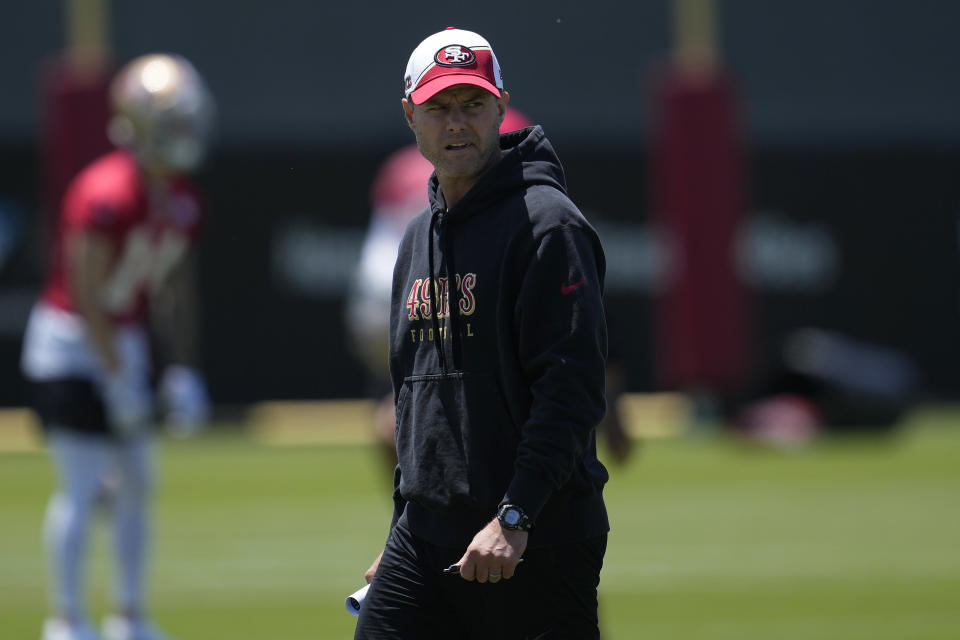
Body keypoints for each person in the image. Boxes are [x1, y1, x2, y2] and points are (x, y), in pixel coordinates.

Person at [355, 27, 610, 639]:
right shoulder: (418, 237)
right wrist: (398, 531)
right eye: (439, 107)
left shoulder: (548, 225)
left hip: (535, 537)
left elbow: (570, 391)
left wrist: (515, 516)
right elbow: (418, 403)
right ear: (410, 116)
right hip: (427, 540)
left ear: (500, 105)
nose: (456, 124)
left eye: (471, 104)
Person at [20, 53, 215, 640]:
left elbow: (175, 289)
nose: (183, 133)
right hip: (72, 347)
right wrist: (115, 374)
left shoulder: (180, 199)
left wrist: (180, 368)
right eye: (172, 120)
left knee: (136, 483)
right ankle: (67, 621)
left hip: (121, 344)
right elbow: (84, 294)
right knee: (81, 486)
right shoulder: (106, 191)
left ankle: (129, 616)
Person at [346, 108, 533, 476]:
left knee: (406, 410)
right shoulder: (488, 171)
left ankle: (414, 507)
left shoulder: (401, 165)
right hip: (426, 295)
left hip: (376, 304)